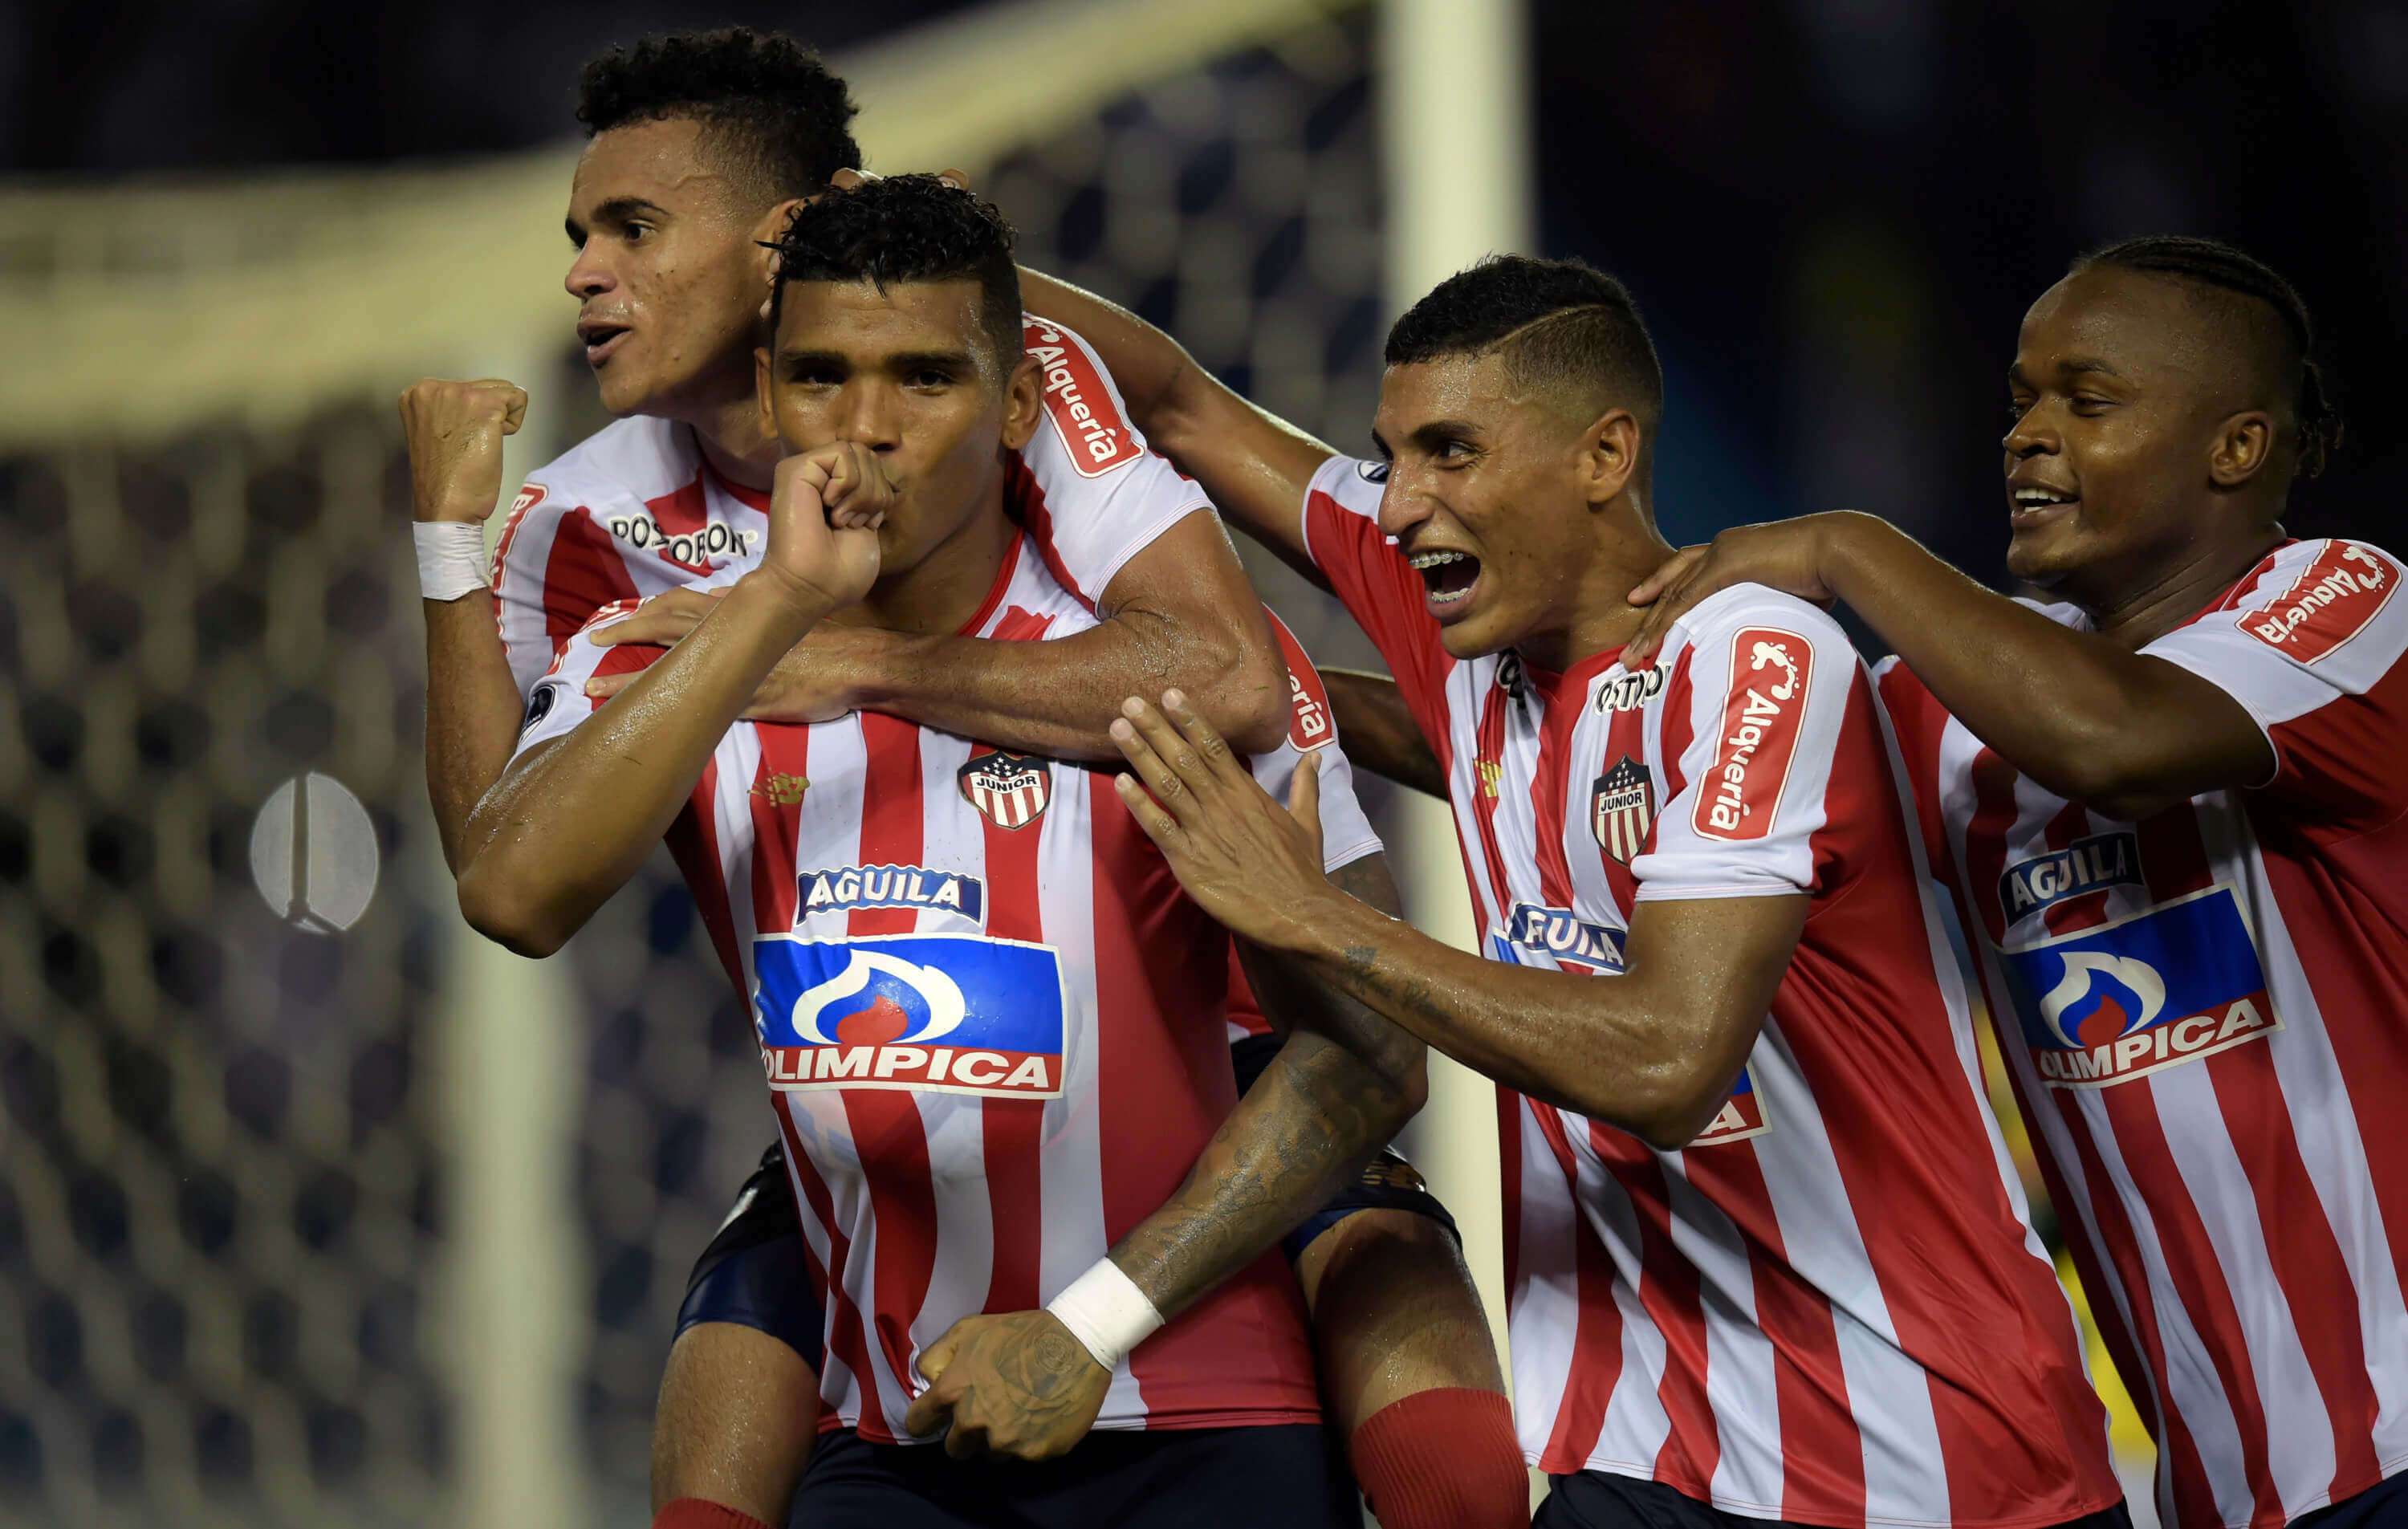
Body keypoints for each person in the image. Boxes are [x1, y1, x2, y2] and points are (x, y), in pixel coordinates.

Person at [396, 28, 1520, 1529]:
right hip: (885, 1091)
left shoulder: (1039, 400)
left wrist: (852, 659)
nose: (586, 274)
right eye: (580, 236)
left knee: (1448, 1469)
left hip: (1237, 1043)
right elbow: (501, 856)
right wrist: (454, 556)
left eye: (634, 229)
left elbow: (1236, 668)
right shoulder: (598, 528)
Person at [1024, 254, 2130, 1527]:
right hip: (1647, 1449)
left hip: (1933, 1455)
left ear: (1606, 455)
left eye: (1452, 453)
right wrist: (890, 238)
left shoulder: (1753, 661)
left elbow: (1667, 1063)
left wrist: (1313, 914)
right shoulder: (1474, 650)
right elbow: (1175, 404)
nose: (1399, 508)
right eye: (1394, 460)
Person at [1621, 236, 2406, 1529]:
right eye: (2021, 403)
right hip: (2212, 1489)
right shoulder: (1954, 712)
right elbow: (1668, 788)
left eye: (2084, 403)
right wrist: (1274, 715)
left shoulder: (2347, 605)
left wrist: (1845, 547)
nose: (2028, 437)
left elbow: (2118, 739)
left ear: (2237, 448)